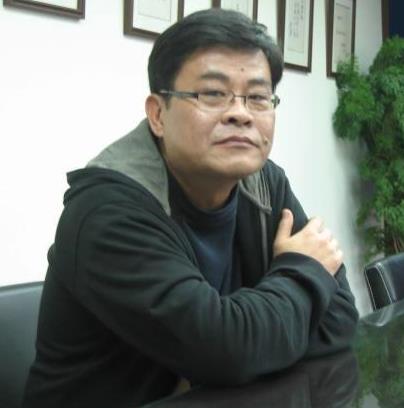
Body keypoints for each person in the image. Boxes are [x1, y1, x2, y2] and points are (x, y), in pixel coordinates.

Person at [23, 8, 359, 408]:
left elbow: (339, 320)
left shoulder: (265, 183)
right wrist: (302, 269)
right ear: (158, 114)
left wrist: (254, 344)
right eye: (212, 94)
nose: (240, 113)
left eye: (257, 97)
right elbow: (228, 353)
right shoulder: (107, 211)